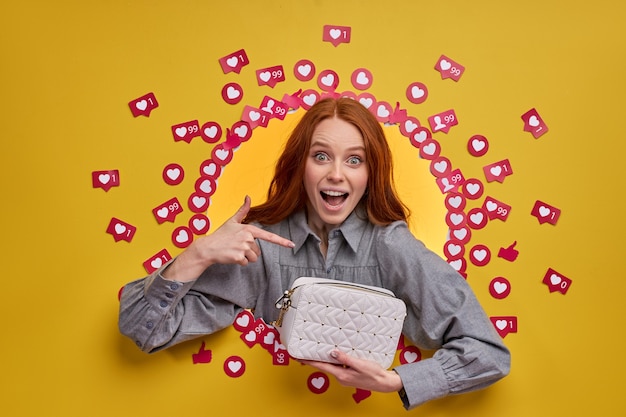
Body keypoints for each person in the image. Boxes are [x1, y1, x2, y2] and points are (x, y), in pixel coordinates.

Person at [118, 97, 510, 410]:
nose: (336, 174)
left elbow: (489, 353)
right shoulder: (262, 247)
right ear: (300, 164)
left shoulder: (391, 247)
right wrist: (196, 254)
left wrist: (397, 381)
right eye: (321, 156)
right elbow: (141, 329)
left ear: (370, 173)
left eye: (354, 160)